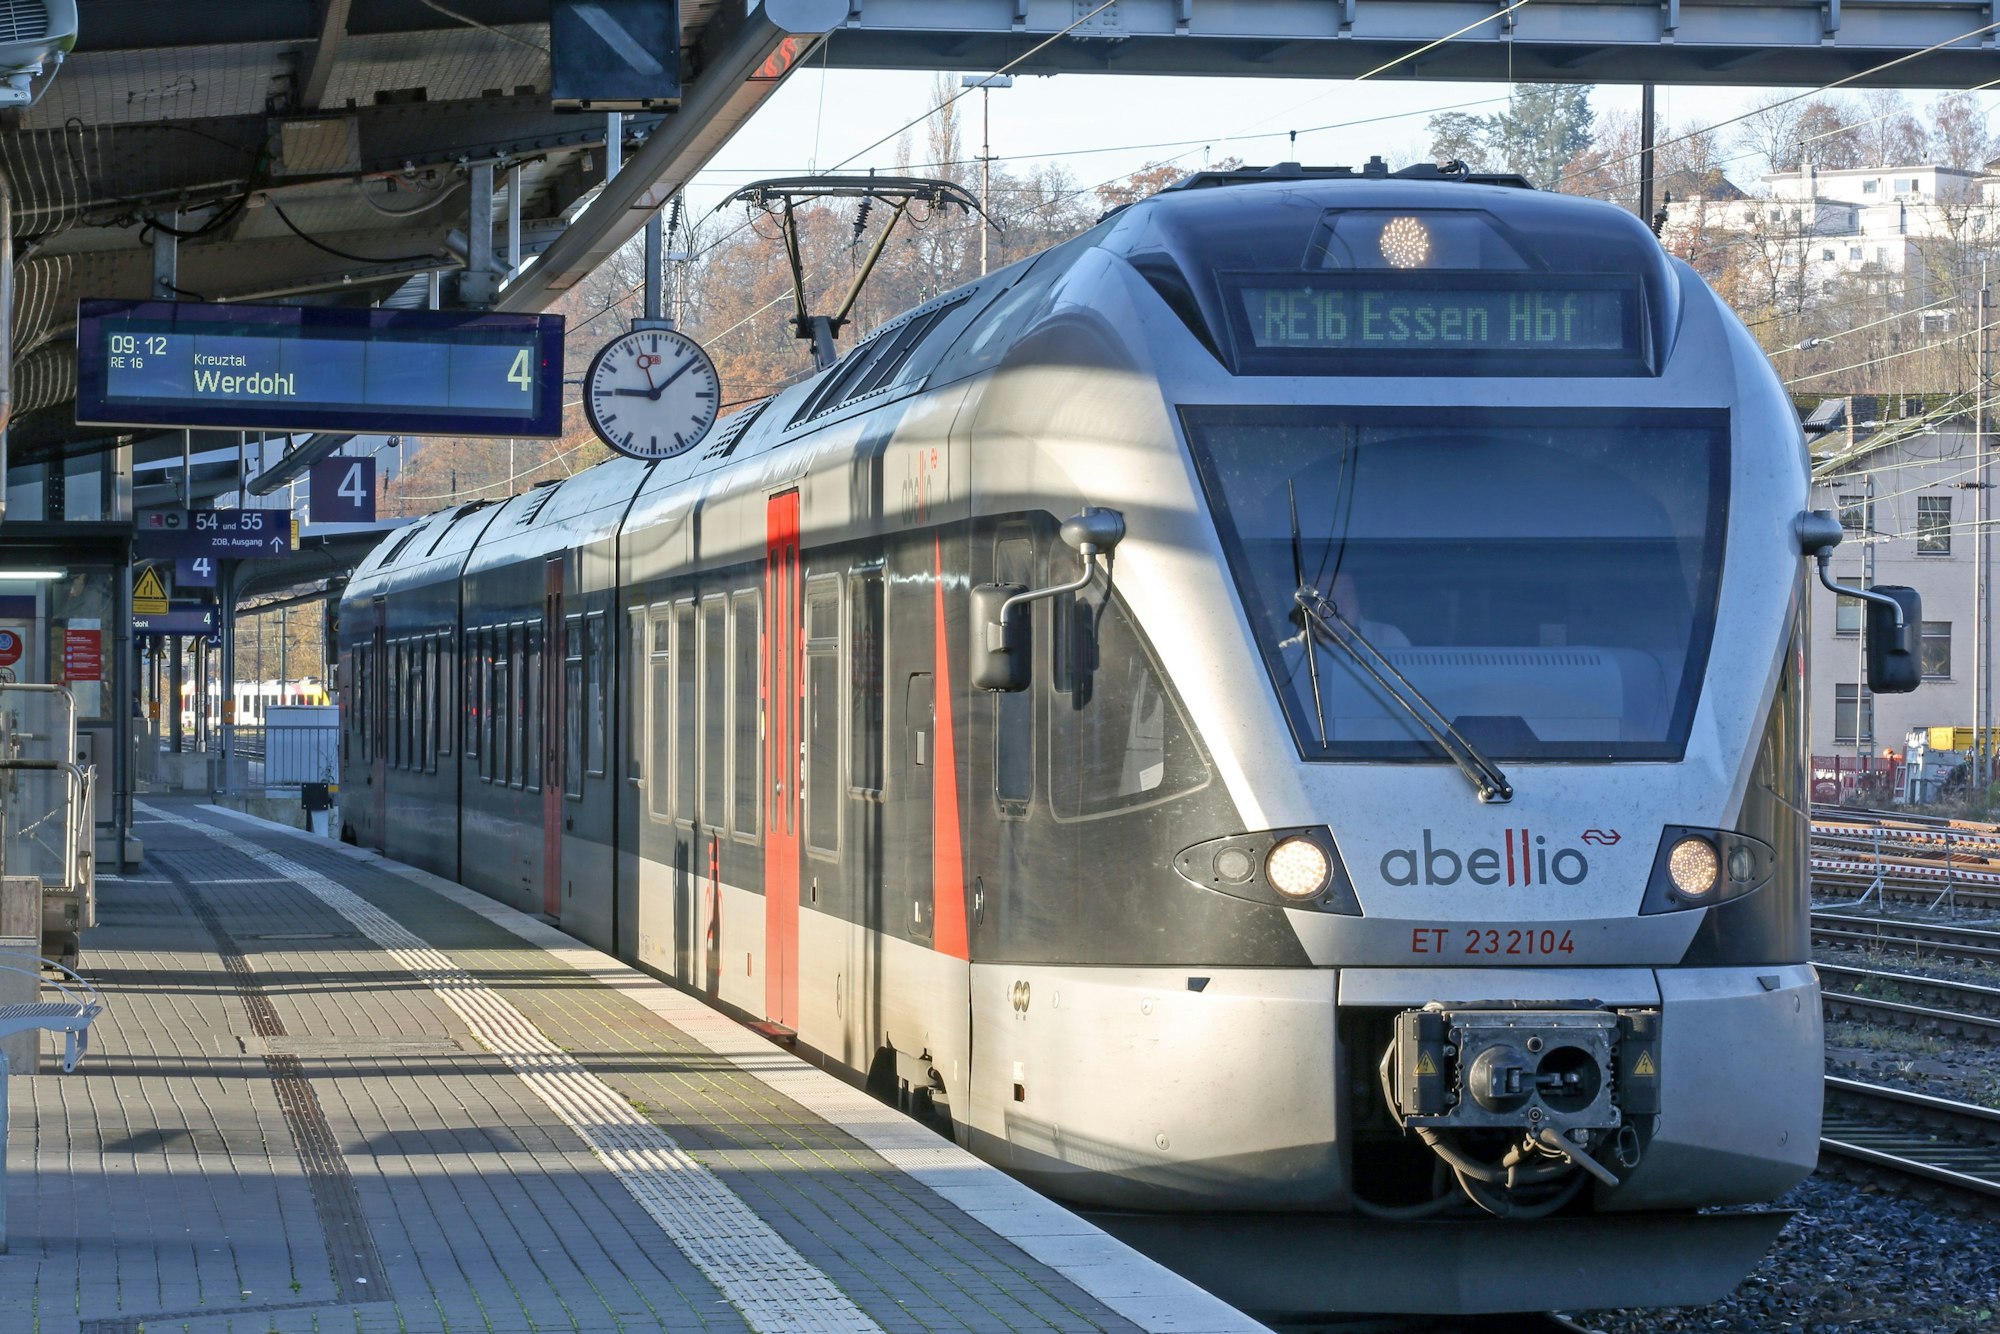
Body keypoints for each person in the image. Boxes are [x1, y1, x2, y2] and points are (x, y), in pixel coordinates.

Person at [1328, 568, 1410, 648]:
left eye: (1346, 594)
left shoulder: (1389, 638)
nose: (1337, 603)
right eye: (1326, 594)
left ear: (1357, 600)